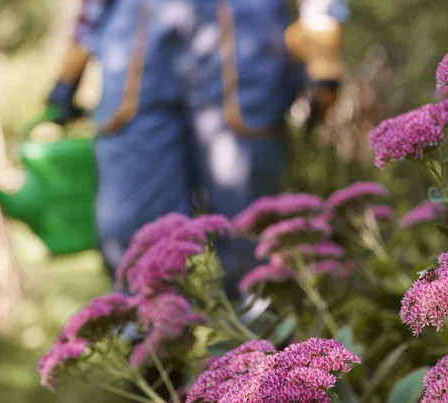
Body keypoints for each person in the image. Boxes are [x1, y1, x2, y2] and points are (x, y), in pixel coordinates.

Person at [47, 0, 349, 293]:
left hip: (245, 38)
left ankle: (268, 334)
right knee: (135, 235)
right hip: (133, 46)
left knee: (254, 230)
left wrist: (323, 51)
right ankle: (149, 335)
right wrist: (69, 72)